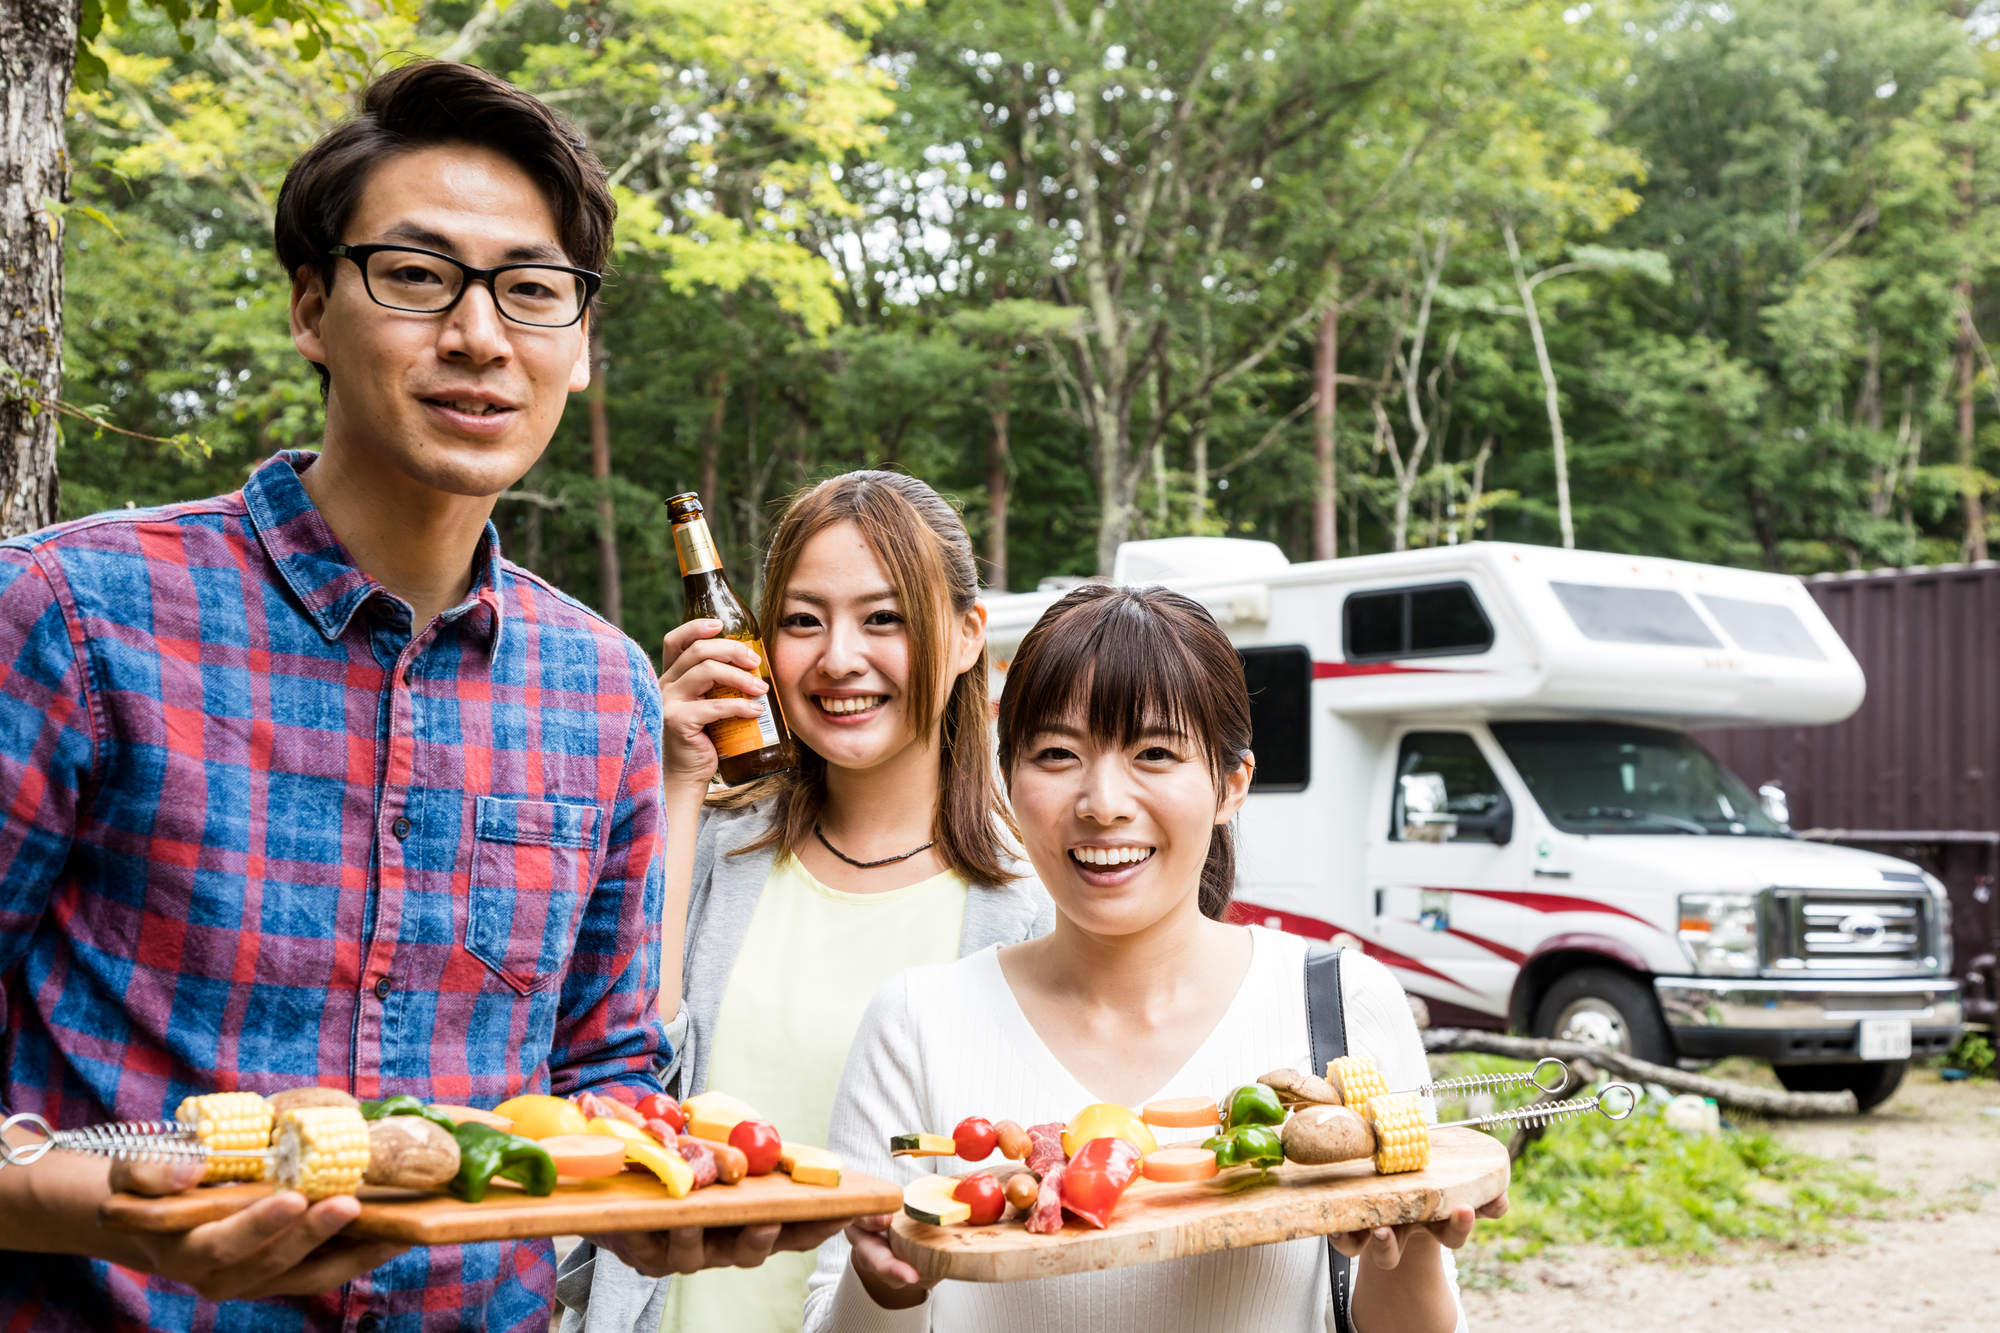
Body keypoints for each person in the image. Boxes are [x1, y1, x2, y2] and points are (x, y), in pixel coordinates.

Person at [0, 60, 820, 1332]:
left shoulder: (599, 686)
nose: (480, 336)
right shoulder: (69, 615)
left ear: (582, 347)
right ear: (313, 308)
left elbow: (598, 1069)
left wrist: (674, 1193)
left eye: (532, 291)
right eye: (418, 275)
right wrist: (109, 1209)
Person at [803, 583, 1508, 1333]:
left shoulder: (1342, 1001)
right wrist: (887, 1287)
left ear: (1232, 784)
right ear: (1009, 783)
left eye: (1155, 753)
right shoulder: (917, 1020)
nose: (1102, 801)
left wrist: (1419, 1239)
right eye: (1057, 753)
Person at [559, 472, 1054, 1332]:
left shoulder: (1027, 905)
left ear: (970, 635)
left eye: (884, 617)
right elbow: (619, 1072)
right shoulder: (714, 844)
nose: (837, 657)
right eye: (801, 619)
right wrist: (680, 775)